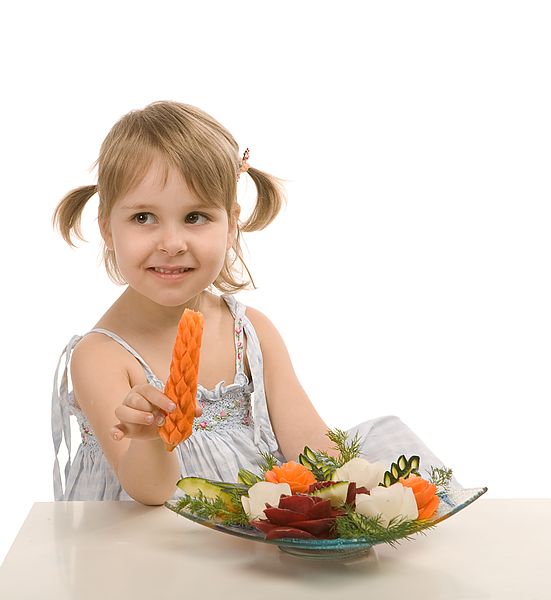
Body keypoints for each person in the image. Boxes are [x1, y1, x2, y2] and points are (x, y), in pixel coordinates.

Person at [51, 100, 464, 505]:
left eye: (195, 217)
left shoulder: (249, 333)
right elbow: (150, 492)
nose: (172, 244)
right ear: (107, 227)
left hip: (249, 540)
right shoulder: (99, 356)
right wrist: (147, 441)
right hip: (147, 546)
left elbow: (311, 448)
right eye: (143, 218)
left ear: (231, 224)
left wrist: (366, 494)